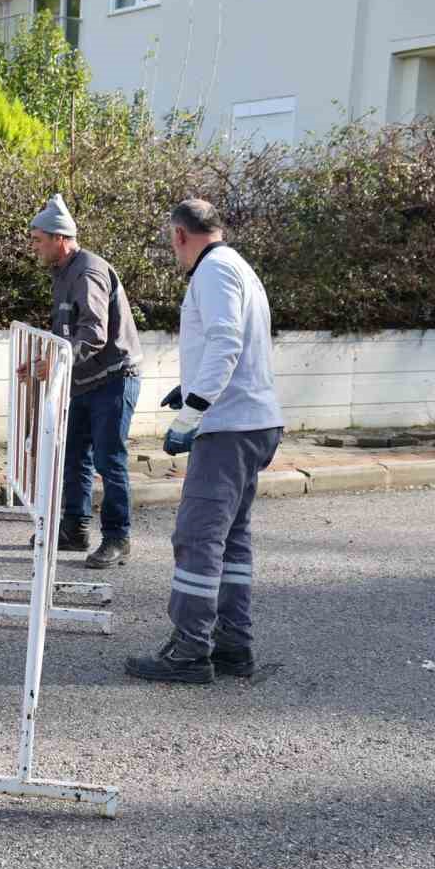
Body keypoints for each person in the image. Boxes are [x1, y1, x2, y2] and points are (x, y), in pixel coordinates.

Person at [126, 199, 285, 685]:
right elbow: (236, 343)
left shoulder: (212, 272)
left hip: (228, 427)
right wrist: (191, 386)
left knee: (197, 538)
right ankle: (233, 645)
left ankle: (191, 650)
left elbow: (224, 342)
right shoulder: (238, 267)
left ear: (179, 235)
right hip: (254, 421)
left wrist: (193, 410)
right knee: (231, 540)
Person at [27, 194, 143, 565]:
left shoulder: (88, 270)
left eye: (38, 240)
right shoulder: (63, 274)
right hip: (84, 381)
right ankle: (75, 530)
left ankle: (117, 538)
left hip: (113, 378)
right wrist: (41, 365)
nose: (35, 247)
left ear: (60, 238)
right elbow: (68, 333)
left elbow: (93, 333)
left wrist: (58, 365)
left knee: (110, 460)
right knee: (75, 456)